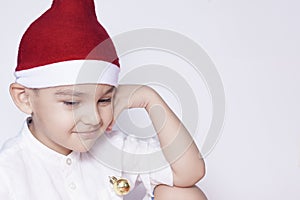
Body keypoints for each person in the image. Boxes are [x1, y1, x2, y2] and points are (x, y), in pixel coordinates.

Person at [0, 0, 206, 199]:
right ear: (24, 98)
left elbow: (189, 173)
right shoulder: (8, 172)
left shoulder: (110, 147)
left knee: (184, 194)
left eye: (104, 100)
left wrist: (148, 98)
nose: (93, 118)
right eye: (72, 102)